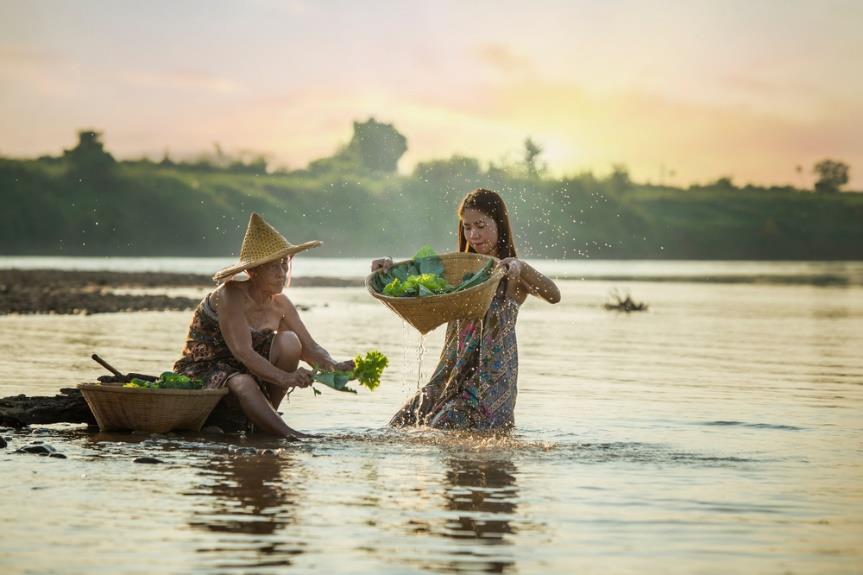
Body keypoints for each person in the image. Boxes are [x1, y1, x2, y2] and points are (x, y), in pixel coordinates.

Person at [373, 188, 560, 430]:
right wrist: (389, 268)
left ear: (499, 223)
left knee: (443, 424)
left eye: (481, 225)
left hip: (488, 383)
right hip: (448, 375)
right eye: (467, 227)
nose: (474, 235)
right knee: (401, 421)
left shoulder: (512, 273)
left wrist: (522, 267)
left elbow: (553, 295)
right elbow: (417, 286)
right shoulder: (458, 272)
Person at [174, 212, 353, 439]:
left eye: (284, 265)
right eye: (273, 268)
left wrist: (336, 367)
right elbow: (243, 353)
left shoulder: (281, 304)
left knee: (290, 342)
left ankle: (266, 419)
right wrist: (287, 378)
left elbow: (311, 348)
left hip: (252, 372)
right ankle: (287, 434)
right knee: (242, 381)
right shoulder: (230, 295)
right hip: (207, 370)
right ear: (253, 271)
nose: (282, 274)